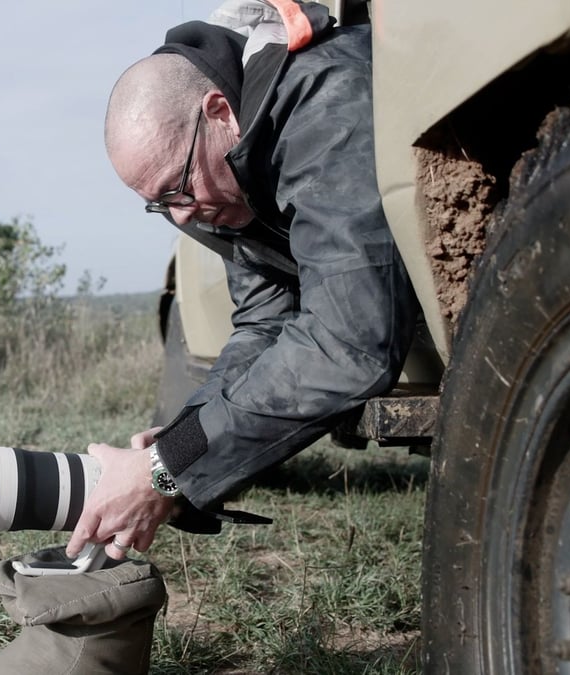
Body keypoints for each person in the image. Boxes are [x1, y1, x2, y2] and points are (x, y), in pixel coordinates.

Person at [67, 0, 418, 562]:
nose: (181, 216)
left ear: (219, 112)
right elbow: (264, 325)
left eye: (177, 190)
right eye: (159, 206)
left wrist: (162, 471)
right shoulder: (226, 177)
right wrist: (181, 437)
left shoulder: (322, 100)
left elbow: (349, 342)